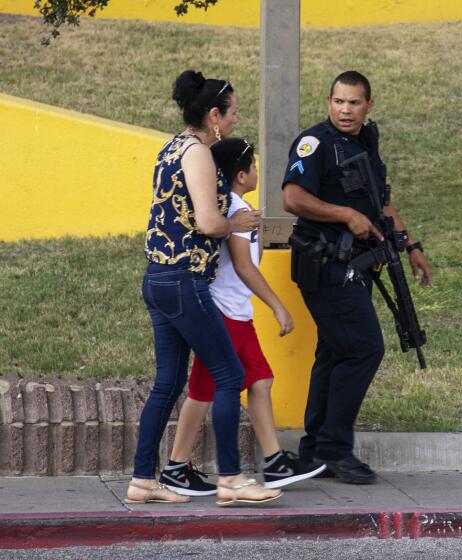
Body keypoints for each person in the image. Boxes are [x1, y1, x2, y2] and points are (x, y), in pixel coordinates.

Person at [127, 71, 281, 507]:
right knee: (230, 375)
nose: (235, 121)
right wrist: (236, 223)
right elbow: (208, 223)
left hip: (158, 278)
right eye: (232, 113)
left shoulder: (173, 146)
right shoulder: (198, 155)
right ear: (213, 115)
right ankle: (231, 479)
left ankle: (143, 480)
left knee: (168, 383)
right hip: (183, 280)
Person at [282, 71, 432, 484]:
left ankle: (315, 449)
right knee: (363, 349)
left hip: (355, 267)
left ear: (369, 105)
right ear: (328, 101)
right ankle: (334, 450)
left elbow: (380, 201)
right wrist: (346, 215)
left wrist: (411, 245)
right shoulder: (315, 144)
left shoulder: (366, 142)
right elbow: (292, 197)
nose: (346, 111)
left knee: (334, 352)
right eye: (339, 102)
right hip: (326, 264)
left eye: (354, 103)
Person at [158, 138, 326, 497]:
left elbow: (252, 257)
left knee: (261, 380)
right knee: (203, 391)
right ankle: (176, 466)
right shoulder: (233, 211)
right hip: (222, 313)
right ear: (239, 174)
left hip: (238, 313)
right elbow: (246, 268)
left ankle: (274, 462)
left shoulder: (239, 209)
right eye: (252, 165)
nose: (257, 170)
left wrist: (257, 228)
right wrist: (278, 307)